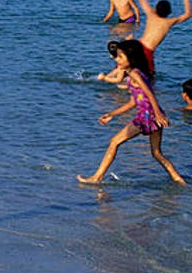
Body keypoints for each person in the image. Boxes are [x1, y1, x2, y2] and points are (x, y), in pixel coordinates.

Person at [79, 39, 185, 185]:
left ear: (132, 58)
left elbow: (149, 93)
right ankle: (179, 180)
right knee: (156, 153)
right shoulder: (138, 73)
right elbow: (133, 102)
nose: (117, 59)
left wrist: (157, 114)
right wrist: (112, 114)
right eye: (117, 56)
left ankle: (97, 177)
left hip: (147, 116)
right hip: (153, 114)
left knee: (114, 142)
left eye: (120, 57)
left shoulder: (134, 74)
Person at [137, 0, 192, 73]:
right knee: (149, 76)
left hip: (138, 46)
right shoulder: (168, 22)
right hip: (147, 51)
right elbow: (188, 15)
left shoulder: (151, 15)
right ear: (169, 13)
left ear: (156, 9)